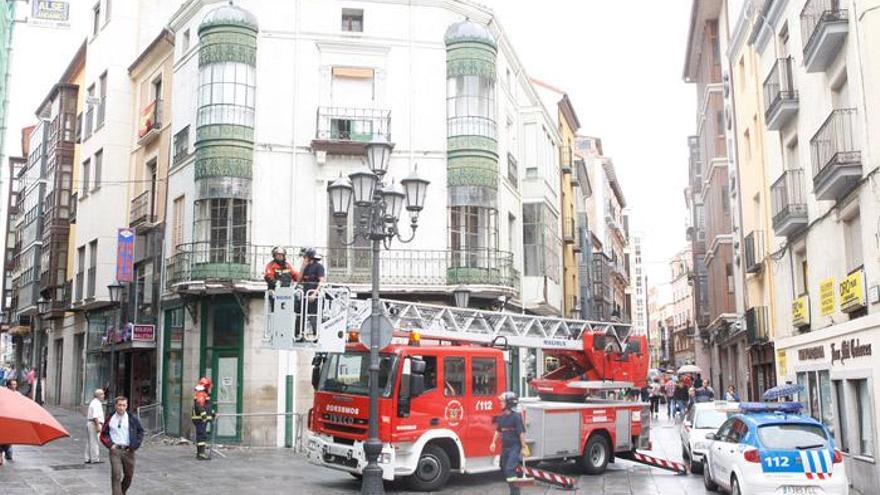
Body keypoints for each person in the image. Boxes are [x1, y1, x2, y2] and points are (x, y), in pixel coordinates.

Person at [100, 396, 144, 495]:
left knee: (129, 476)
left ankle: (122, 492)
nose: (121, 408)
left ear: (127, 406)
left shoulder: (132, 418)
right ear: (116, 405)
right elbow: (103, 433)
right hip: (115, 450)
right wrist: (110, 445)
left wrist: (135, 445)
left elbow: (140, 431)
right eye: (119, 405)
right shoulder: (110, 418)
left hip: (129, 451)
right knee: (116, 475)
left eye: (124, 405)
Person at [490, 392, 530, 495]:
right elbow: (498, 431)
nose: (500, 403)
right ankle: (514, 489)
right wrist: (493, 442)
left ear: (509, 403)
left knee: (509, 469)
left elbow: (521, 433)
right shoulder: (502, 417)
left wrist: (524, 447)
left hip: (514, 448)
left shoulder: (516, 417)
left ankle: (515, 493)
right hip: (505, 448)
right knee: (504, 468)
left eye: (502, 401)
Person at [191, 377, 214, 460]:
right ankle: (201, 454)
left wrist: (212, 414)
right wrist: (204, 415)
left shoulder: (202, 393)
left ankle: (200, 453)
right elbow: (199, 406)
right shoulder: (201, 394)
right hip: (200, 419)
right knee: (201, 436)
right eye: (209, 387)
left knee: (201, 435)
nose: (210, 389)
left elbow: (207, 406)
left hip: (200, 419)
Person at [85, 389, 106, 464]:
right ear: (98, 395)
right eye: (102, 394)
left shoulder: (93, 402)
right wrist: (98, 425)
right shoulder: (97, 403)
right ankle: (95, 458)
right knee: (94, 441)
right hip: (94, 423)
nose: (104, 396)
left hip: (90, 423)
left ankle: (88, 458)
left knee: (90, 441)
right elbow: (95, 416)